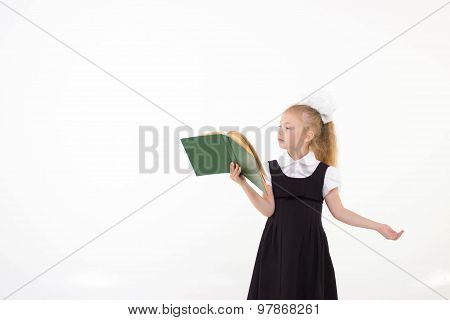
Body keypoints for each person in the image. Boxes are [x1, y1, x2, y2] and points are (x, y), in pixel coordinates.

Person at [229, 93, 404, 300]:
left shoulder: (325, 174)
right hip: (276, 246)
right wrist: (242, 183)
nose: (280, 132)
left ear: (308, 135)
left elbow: (340, 212)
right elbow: (268, 209)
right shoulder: (271, 169)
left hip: (308, 248)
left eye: (288, 127)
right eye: (279, 126)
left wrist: (378, 226)